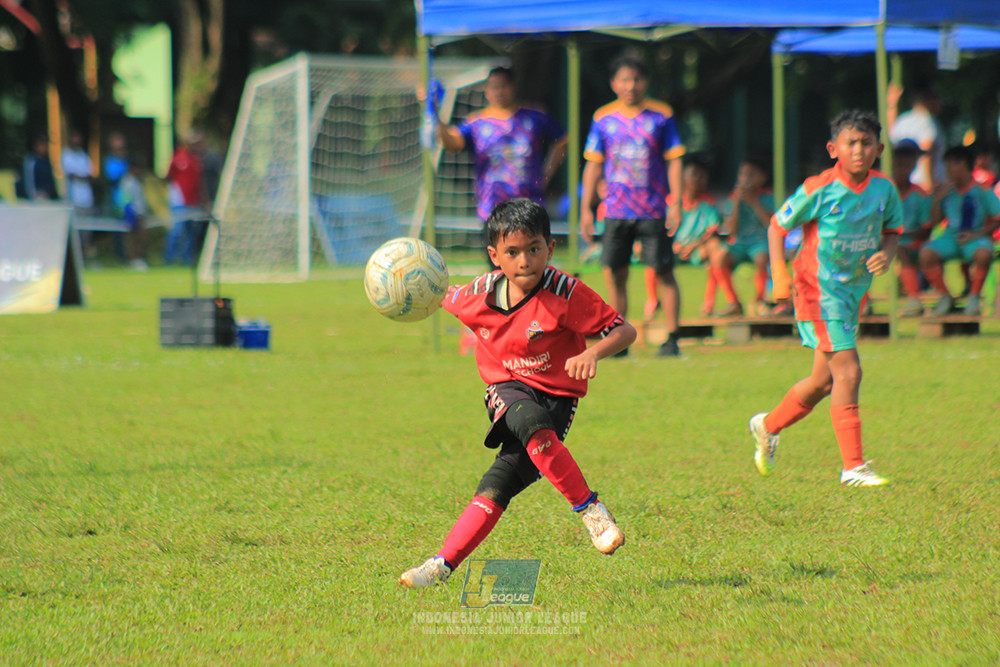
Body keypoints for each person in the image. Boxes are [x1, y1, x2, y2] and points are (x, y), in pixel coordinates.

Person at [399, 198, 635, 588]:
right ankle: (591, 510)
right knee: (526, 418)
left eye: (534, 249)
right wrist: (404, 289)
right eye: (512, 252)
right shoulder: (475, 295)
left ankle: (442, 565)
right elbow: (432, 292)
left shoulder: (565, 291)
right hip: (507, 388)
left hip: (558, 397)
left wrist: (593, 352)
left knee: (498, 484)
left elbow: (625, 330)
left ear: (550, 248)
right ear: (495, 256)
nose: (524, 260)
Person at [748, 110, 902, 488]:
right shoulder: (819, 188)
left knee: (823, 381)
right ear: (834, 149)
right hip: (817, 291)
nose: (859, 150)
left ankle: (767, 426)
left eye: (867, 143)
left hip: (852, 293)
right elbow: (777, 226)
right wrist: (779, 275)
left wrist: (887, 252)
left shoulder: (884, 190)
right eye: (851, 143)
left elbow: (894, 230)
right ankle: (853, 468)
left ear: (879, 149)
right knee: (849, 371)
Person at [580, 53, 685, 357]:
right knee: (615, 273)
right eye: (625, 79)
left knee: (663, 272)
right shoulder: (603, 118)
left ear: (646, 82)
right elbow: (593, 165)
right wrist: (587, 207)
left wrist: (675, 201)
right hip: (615, 210)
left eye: (637, 79)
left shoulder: (661, 116)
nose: (631, 85)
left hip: (652, 209)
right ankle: (618, 339)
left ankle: (672, 338)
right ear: (614, 83)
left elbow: (674, 160)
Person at [436, 66, 568, 266]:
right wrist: (436, 116)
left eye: (503, 86)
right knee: (499, 271)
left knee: (532, 269)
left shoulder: (534, 117)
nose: (499, 91)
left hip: (529, 205)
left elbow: (562, 140)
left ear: (513, 87)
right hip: (492, 209)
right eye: (494, 87)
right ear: (487, 91)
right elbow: (451, 144)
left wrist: (546, 174)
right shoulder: (477, 122)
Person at [919, 145, 1000, 317]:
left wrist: (979, 234)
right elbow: (934, 222)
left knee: (984, 253)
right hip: (950, 238)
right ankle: (944, 297)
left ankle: (974, 297)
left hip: (975, 238)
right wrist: (937, 199)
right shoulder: (946, 191)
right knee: (926, 253)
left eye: (949, 166)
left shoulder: (981, 190)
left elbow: (997, 217)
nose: (947, 171)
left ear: (962, 164)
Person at [711, 156, 775, 317]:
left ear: (762, 178)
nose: (745, 179)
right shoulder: (734, 199)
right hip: (739, 242)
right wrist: (737, 202)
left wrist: (753, 202)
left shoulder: (767, 198)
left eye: (751, 175)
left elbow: (772, 226)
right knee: (719, 258)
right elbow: (731, 230)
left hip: (760, 242)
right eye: (743, 174)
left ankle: (760, 300)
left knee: (761, 258)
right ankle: (733, 302)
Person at [667, 157, 723, 317]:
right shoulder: (671, 201)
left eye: (702, 176)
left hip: (698, 249)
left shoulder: (707, 202)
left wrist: (694, 245)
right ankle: (652, 301)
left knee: (714, 249)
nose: (697, 179)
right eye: (694, 174)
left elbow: (713, 229)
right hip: (673, 249)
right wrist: (672, 244)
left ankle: (709, 303)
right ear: (682, 176)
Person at [891, 139, 934, 317]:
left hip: (913, 244)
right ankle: (863, 301)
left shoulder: (921, 195)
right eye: (899, 163)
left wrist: (900, 235)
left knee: (902, 249)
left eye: (908, 164)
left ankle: (915, 299)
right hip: (885, 241)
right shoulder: (885, 191)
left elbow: (926, 230)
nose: (903, 168)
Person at [888, 83, 945, 190]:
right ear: (929, 101)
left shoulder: (902, 120)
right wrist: (929, 184)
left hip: (904, 181)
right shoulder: (927, 121)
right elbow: (927, 152)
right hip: (922, 184)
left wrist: (892, 105)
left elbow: (892, 136)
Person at [163, 133, 207, 265]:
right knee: (176, 231)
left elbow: (200, 182)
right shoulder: (178, 158)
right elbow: (169, 177)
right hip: (180, 202)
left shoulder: (197, 160)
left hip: (193, 202)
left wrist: (204, 199)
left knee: (191, 232)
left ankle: (187, 259)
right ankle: (169, 259)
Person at [16, 134, 59, 201]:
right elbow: (29, 182)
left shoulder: (47, 162)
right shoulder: (31, 162)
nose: (45, 147)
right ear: (35, 146)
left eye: (46, 144)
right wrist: (34, 196)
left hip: (48, 199)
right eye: (42, 144)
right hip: (35, 201)